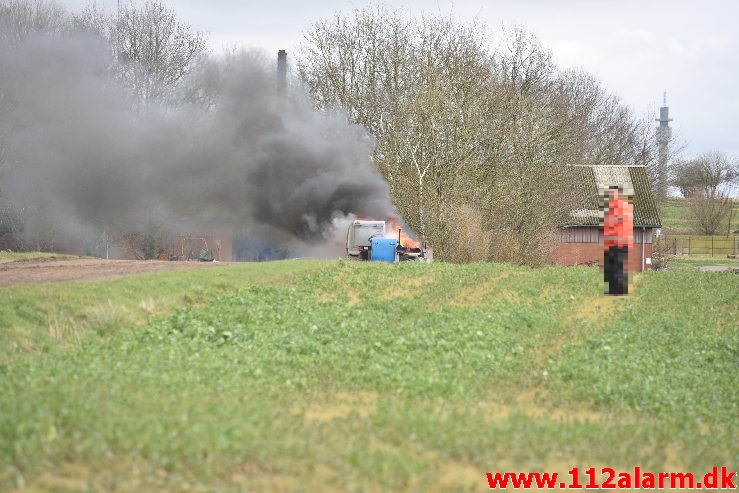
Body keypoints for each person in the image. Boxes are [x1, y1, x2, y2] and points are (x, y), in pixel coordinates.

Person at [603, 186, 633, 295]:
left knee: (613, 267)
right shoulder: (626, 206)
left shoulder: (615, 206)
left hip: (615, 241)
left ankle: (614, 290)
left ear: (617, 193)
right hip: (622, 241)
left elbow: (610, 226)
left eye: (611, 193)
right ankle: (620, 290)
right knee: (619, 267)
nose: (610, 195)